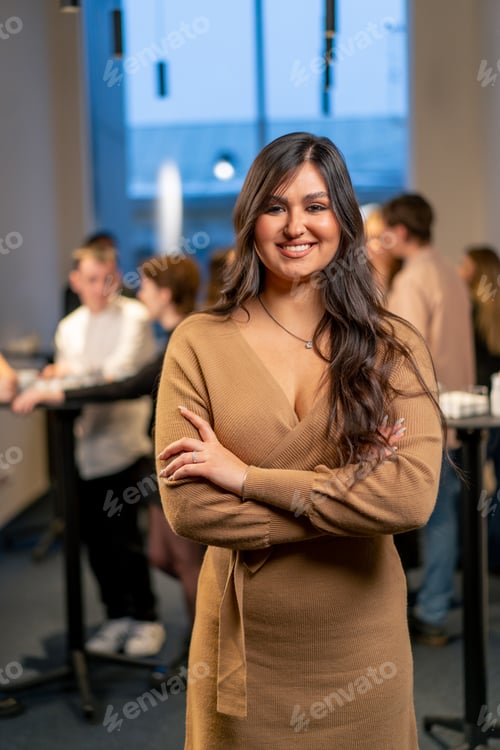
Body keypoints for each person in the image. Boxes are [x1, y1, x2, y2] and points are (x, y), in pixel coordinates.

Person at [154, 132, 443, 748]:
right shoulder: (199, 342)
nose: (295, 226)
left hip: (361, 651)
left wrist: (246, 479)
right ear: (250, 219)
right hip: (244, 649)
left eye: (315, 205)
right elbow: (189, 509)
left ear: (342, 217)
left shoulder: (392, 345)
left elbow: (409, 502)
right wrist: (351, 498)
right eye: (275, 206)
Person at [12, 256, 205, 639]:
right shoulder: (169, 334)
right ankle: (186, 634)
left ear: (163, 294)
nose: (136, 292)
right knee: (160, 555)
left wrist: (61, 388)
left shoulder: (182, 334)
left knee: (181, 560)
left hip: (159, 454)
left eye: (145, 287)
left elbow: (124, 383)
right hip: (146, 454)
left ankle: (206, 649)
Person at [381, 193, 475, 646]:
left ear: (399, 232)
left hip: (425, 416)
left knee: (430, 518)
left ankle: (431, 608)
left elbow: (404, 358)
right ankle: (434, 601)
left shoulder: (412, 280)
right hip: (458, 411)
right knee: (445, 518)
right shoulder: (449, 273)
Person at [458, 245, 500, 572]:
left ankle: (477, 557)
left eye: (466, 264)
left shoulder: (470, 309)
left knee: (469, 482)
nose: (461, 269)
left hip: (477, 407)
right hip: (497, 405)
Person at [364, 206, 402, 299]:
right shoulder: (358, 278)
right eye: (369, 239)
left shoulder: (405, 275)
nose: (373, 245)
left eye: (380, 238)